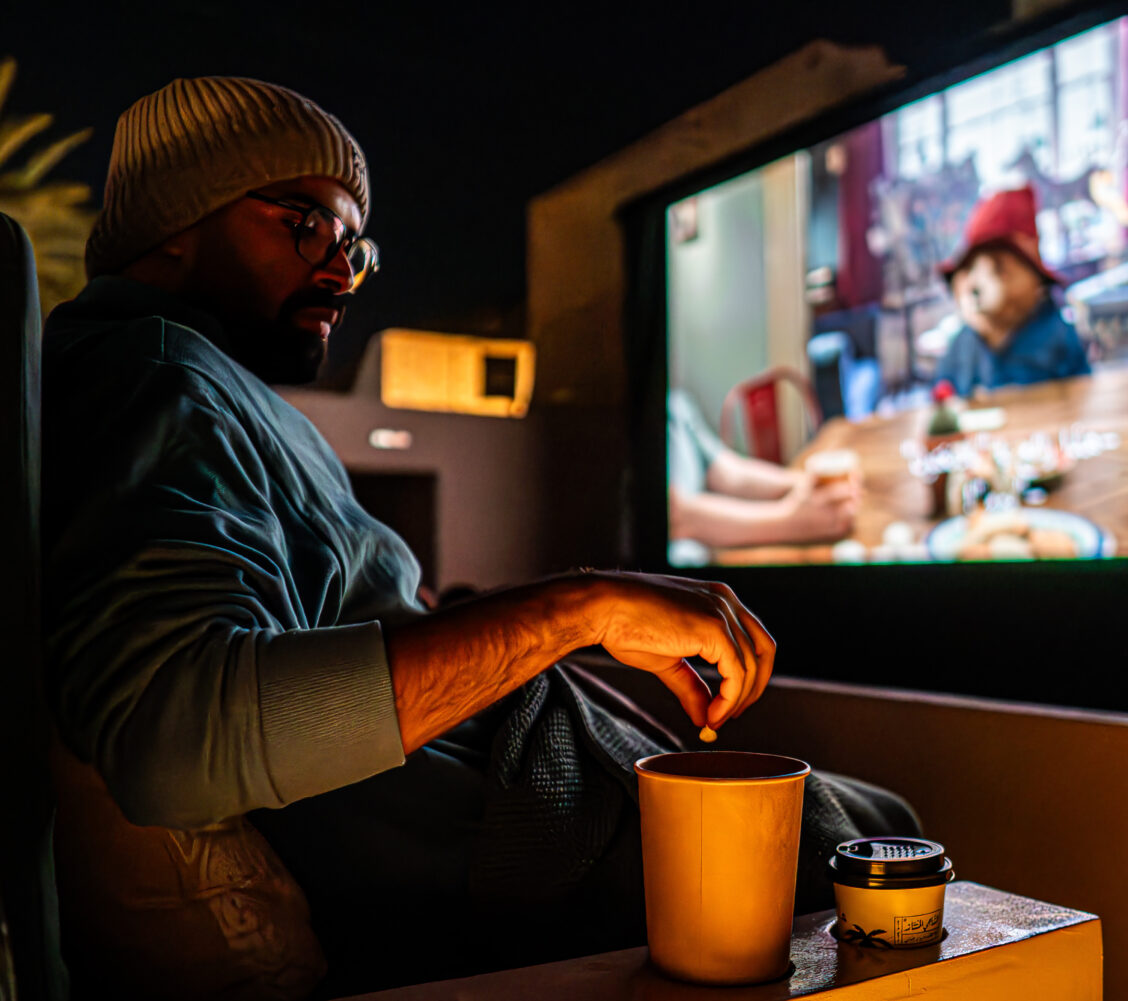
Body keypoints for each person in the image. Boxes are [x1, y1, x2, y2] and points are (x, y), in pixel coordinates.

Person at [41, 77, 917, 999]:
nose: (341, 271)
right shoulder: (154, 378)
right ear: (170, 223)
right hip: (515, 856)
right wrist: (582, 606)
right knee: (884, 838)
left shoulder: (199, 380)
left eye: (354, 246)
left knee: (863, 820)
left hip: (518, 808)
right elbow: (170, 736)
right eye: (305, 224)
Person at [935, 186, 1091, 397]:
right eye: (969, 268)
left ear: (1035, 282)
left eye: (999, 269)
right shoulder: (963, 342)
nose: (975, 284)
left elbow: (1083, 393)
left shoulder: (1056, 334)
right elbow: (943, 392)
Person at [667, 388, 859, 549]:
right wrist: (791, 520)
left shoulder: (675, 403)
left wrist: (806, 484)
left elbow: (729, 473)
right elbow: (676, 517)